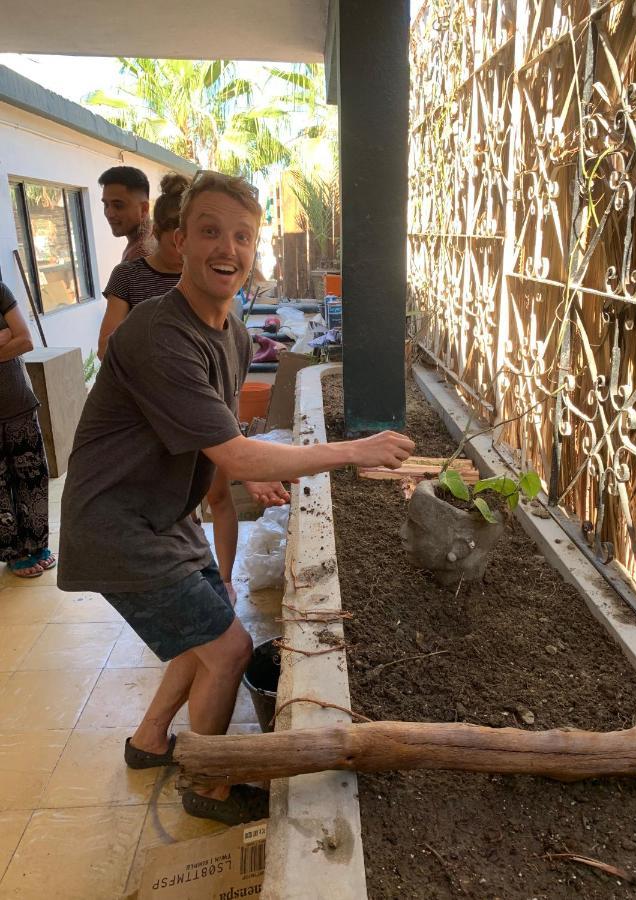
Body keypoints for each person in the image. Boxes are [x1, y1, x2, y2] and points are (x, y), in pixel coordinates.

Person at [57, 172, 414, 824]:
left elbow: (217, 438)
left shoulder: (235, 333)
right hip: (116, 523)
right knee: (225, 649)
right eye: (211, 231)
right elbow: (235, 450)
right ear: (178, 242)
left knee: (208, 629)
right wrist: (350, 451)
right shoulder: (157, 334)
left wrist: (241, 477)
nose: (228, 247)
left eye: (242, 235)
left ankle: (149, 743)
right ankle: (209, 788)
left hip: (161, 514)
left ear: (257, 249)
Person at [97, 172, 189, 359]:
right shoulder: (128, 275)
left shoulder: (202, 276)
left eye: (191, 245)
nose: (184, 253)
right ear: (156, 233)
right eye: (174, 244)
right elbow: (104, 349)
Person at [0, 282, 56, 578]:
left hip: (19, 403)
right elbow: (13, 338)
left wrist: (12, 338)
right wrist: (3, 337)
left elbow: (25, 341)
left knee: (33, 478)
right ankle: (15, 553)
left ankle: (38, 546)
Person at [99, 166, 156, 262]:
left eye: (118, 206)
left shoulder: (141, 257)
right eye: (106, 205)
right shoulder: (150, 240)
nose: (109, 214)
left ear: (144, 209)